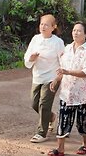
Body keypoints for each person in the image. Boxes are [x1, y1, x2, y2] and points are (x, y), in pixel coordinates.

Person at [47, 21, 86, 156]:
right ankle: (60, 148)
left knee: (84, 121)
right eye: (74, 30)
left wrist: (68, 72)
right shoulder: (68, 48)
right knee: (64, 119)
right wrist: (56, 79)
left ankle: (85, 144)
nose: (75, 33)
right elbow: (62, 68)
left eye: (79, 31)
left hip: (83, 94)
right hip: (67, 92)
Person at [24, 14, 65, 143]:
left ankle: (42, 133)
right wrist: (31, 59)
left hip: (52, 78)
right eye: (42, 24)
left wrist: (58, 78)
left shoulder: (58, 42)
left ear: (53, 27)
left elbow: (63, 61)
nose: (43, 27)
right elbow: (27, 59)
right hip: (37, 77)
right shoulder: (35, 39)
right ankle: (51, 117)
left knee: (44, 104)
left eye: (46, 25)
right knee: (34, 104)